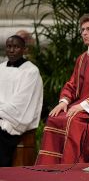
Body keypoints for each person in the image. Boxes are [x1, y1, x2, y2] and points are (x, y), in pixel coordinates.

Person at [35, 13, 89, 174]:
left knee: (72, 120)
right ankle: (49, 168)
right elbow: (73, 84)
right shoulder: (82, 58)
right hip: (81, 105)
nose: (84, 33)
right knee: (54, 118)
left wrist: (82, 106)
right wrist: (64, 102)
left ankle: (71, 170)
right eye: (82, 30)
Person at [0, 35, 43, 167]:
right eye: (9, 46)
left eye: (16, 47)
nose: (12, 50)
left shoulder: (31, 71)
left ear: (24, 49)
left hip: (15, 121)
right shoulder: (1, 68)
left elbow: (22, 103)